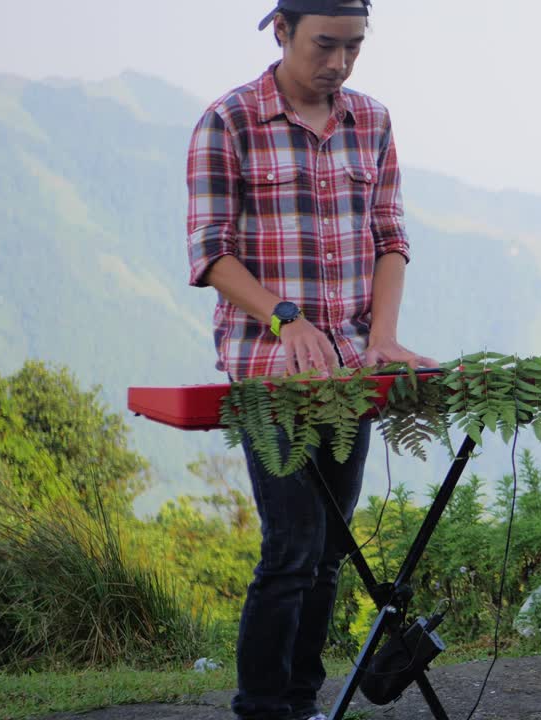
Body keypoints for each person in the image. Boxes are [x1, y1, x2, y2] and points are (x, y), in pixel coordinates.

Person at [185, 2, 434, 718]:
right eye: (325, 45)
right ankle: (264, 708)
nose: (340, 63)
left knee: (328, 550)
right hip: (267, 371)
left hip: (349, 370)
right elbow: (210, 252)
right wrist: (283, 318)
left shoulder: (372, 121)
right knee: (291, 545)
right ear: (282, 30)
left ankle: (303, 701)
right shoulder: (228, 121)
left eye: (354, 48)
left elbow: (391, 236)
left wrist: (381, 336)